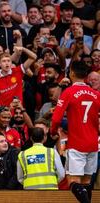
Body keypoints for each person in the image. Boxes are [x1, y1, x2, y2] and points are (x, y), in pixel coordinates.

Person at [51, 61, 100, 202]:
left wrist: (53, 131)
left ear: (71, 73)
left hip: (77, 143)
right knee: (86, 183)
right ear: (86, 75)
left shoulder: (69, 92)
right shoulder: (96, 94)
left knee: (72, 181)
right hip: (93, 144)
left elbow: (56, 118)